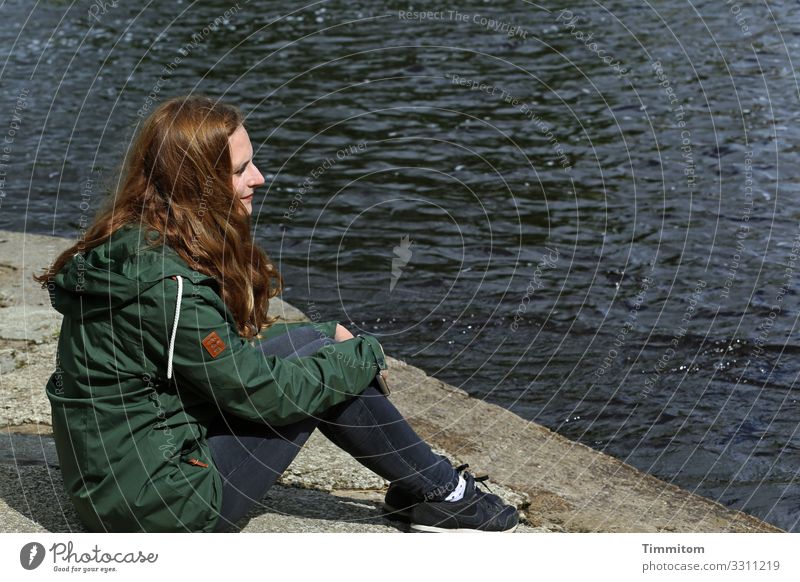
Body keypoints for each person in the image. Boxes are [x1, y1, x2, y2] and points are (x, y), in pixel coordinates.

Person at [34, 95, 519, 533]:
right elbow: (263, 396)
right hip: (163, 509)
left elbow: (220, 366)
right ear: (198, 183)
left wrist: (324, 336)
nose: (258, 178)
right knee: (334, 372)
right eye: (240, 169)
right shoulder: (169, 285)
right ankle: (445, 494)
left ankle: (426, 485)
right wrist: (364, 356)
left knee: (325, 345)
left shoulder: (133, 240)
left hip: (117, 479)